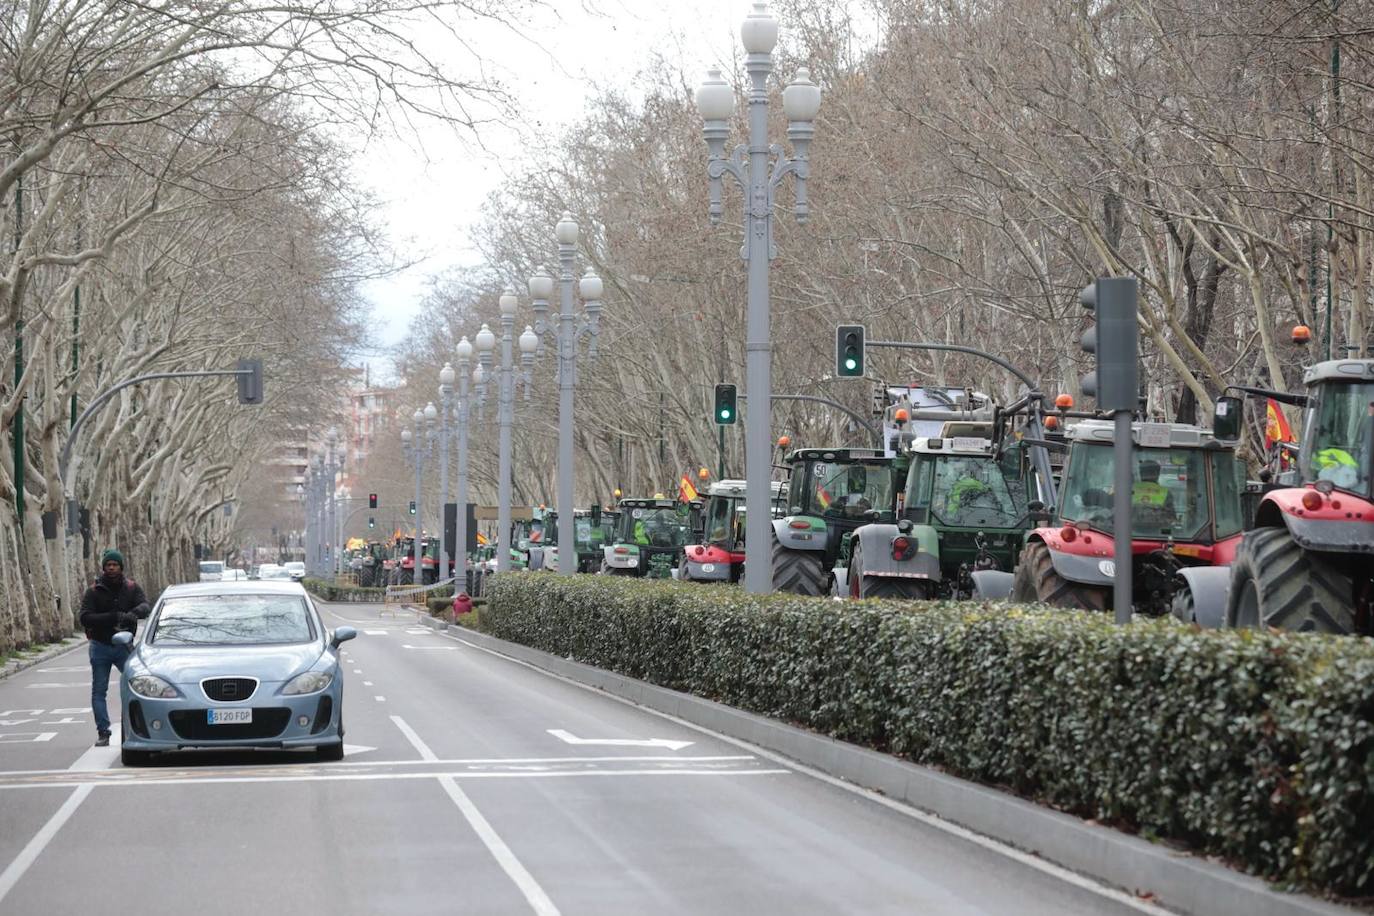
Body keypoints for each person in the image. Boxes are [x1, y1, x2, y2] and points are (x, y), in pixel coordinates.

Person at [78, 549, 150, 747]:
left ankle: (134, 728)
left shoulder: (132, 587)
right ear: (103, 567)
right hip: (100, 646)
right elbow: (84, 617)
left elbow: (145, 606)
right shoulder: (93, 591)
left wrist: (133, 613)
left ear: (121, 567)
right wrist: (113, 617)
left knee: (137, 688)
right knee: (99, 691)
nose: (111, 568)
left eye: (115, 565)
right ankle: (103, 732)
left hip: (124, 648)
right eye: (108, 565)